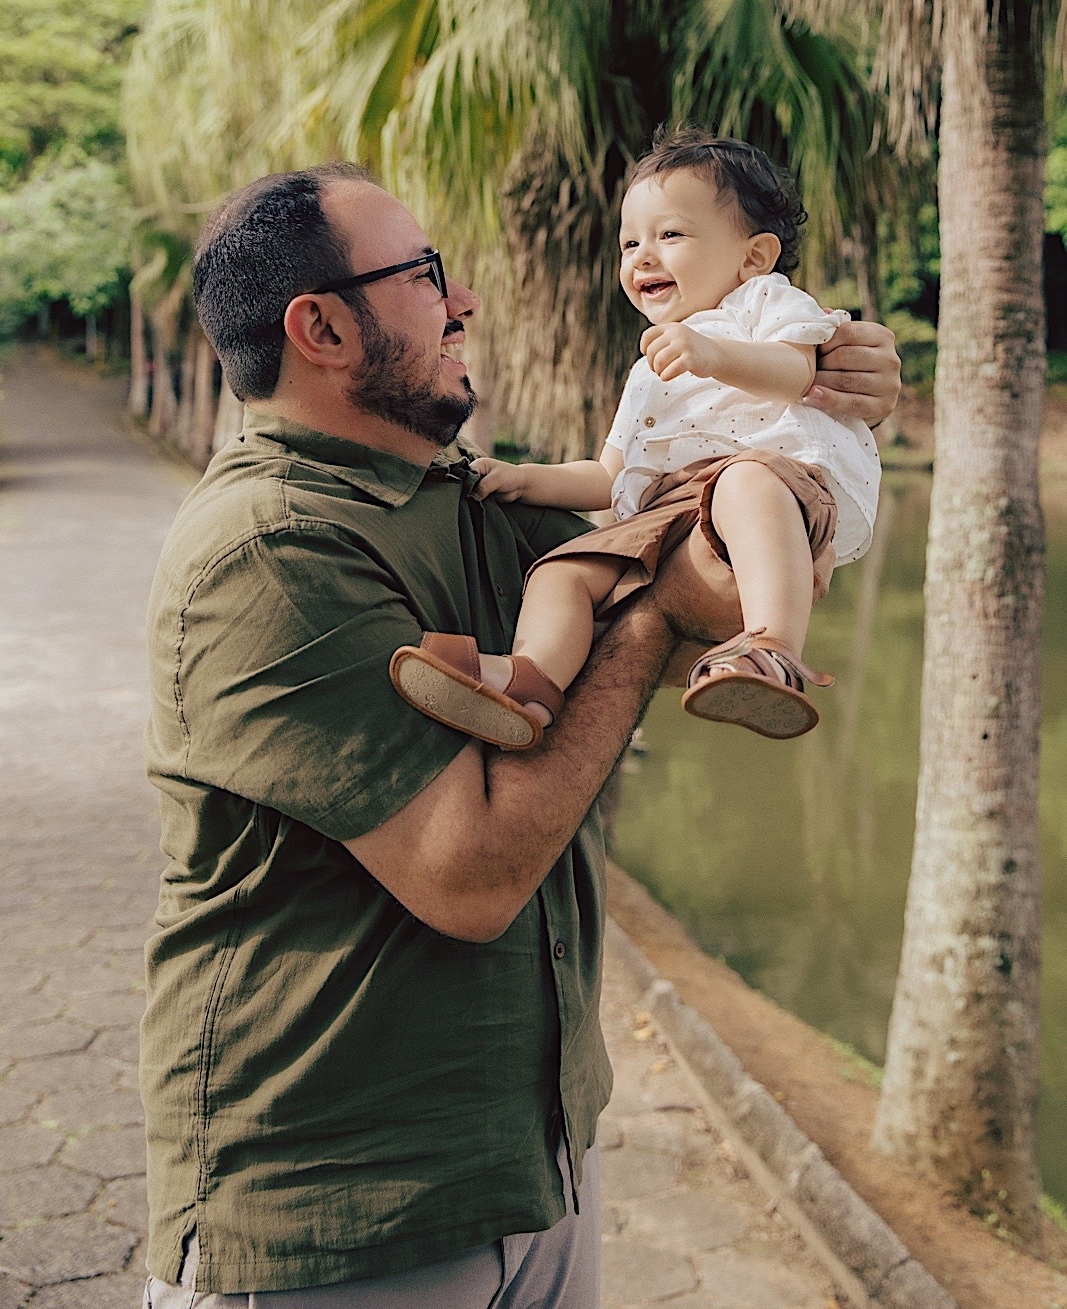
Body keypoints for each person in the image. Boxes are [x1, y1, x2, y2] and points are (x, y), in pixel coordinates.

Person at [141, 160, 901, 1307]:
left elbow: (697, 604)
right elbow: (472, 874)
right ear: (321, 328)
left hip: (532, 1164)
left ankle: (514, 679)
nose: (465, 302)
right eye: (424, 276)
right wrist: (651, 616)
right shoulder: (268, 551)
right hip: (342, 1215)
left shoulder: (463, 497)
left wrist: (826, 391)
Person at [390, 131, 881, 747]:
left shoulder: (764, 303)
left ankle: (771, 649)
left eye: (670, 234)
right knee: (564, 571)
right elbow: (610, 475)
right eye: (630, 243)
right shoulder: (650, 369)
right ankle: (530, 682)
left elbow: (798, 372)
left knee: (743, 483)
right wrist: (525, 478)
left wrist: (712, 353)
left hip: (776, 487)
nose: (643, 257)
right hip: (671, 513)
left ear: (754, 256)